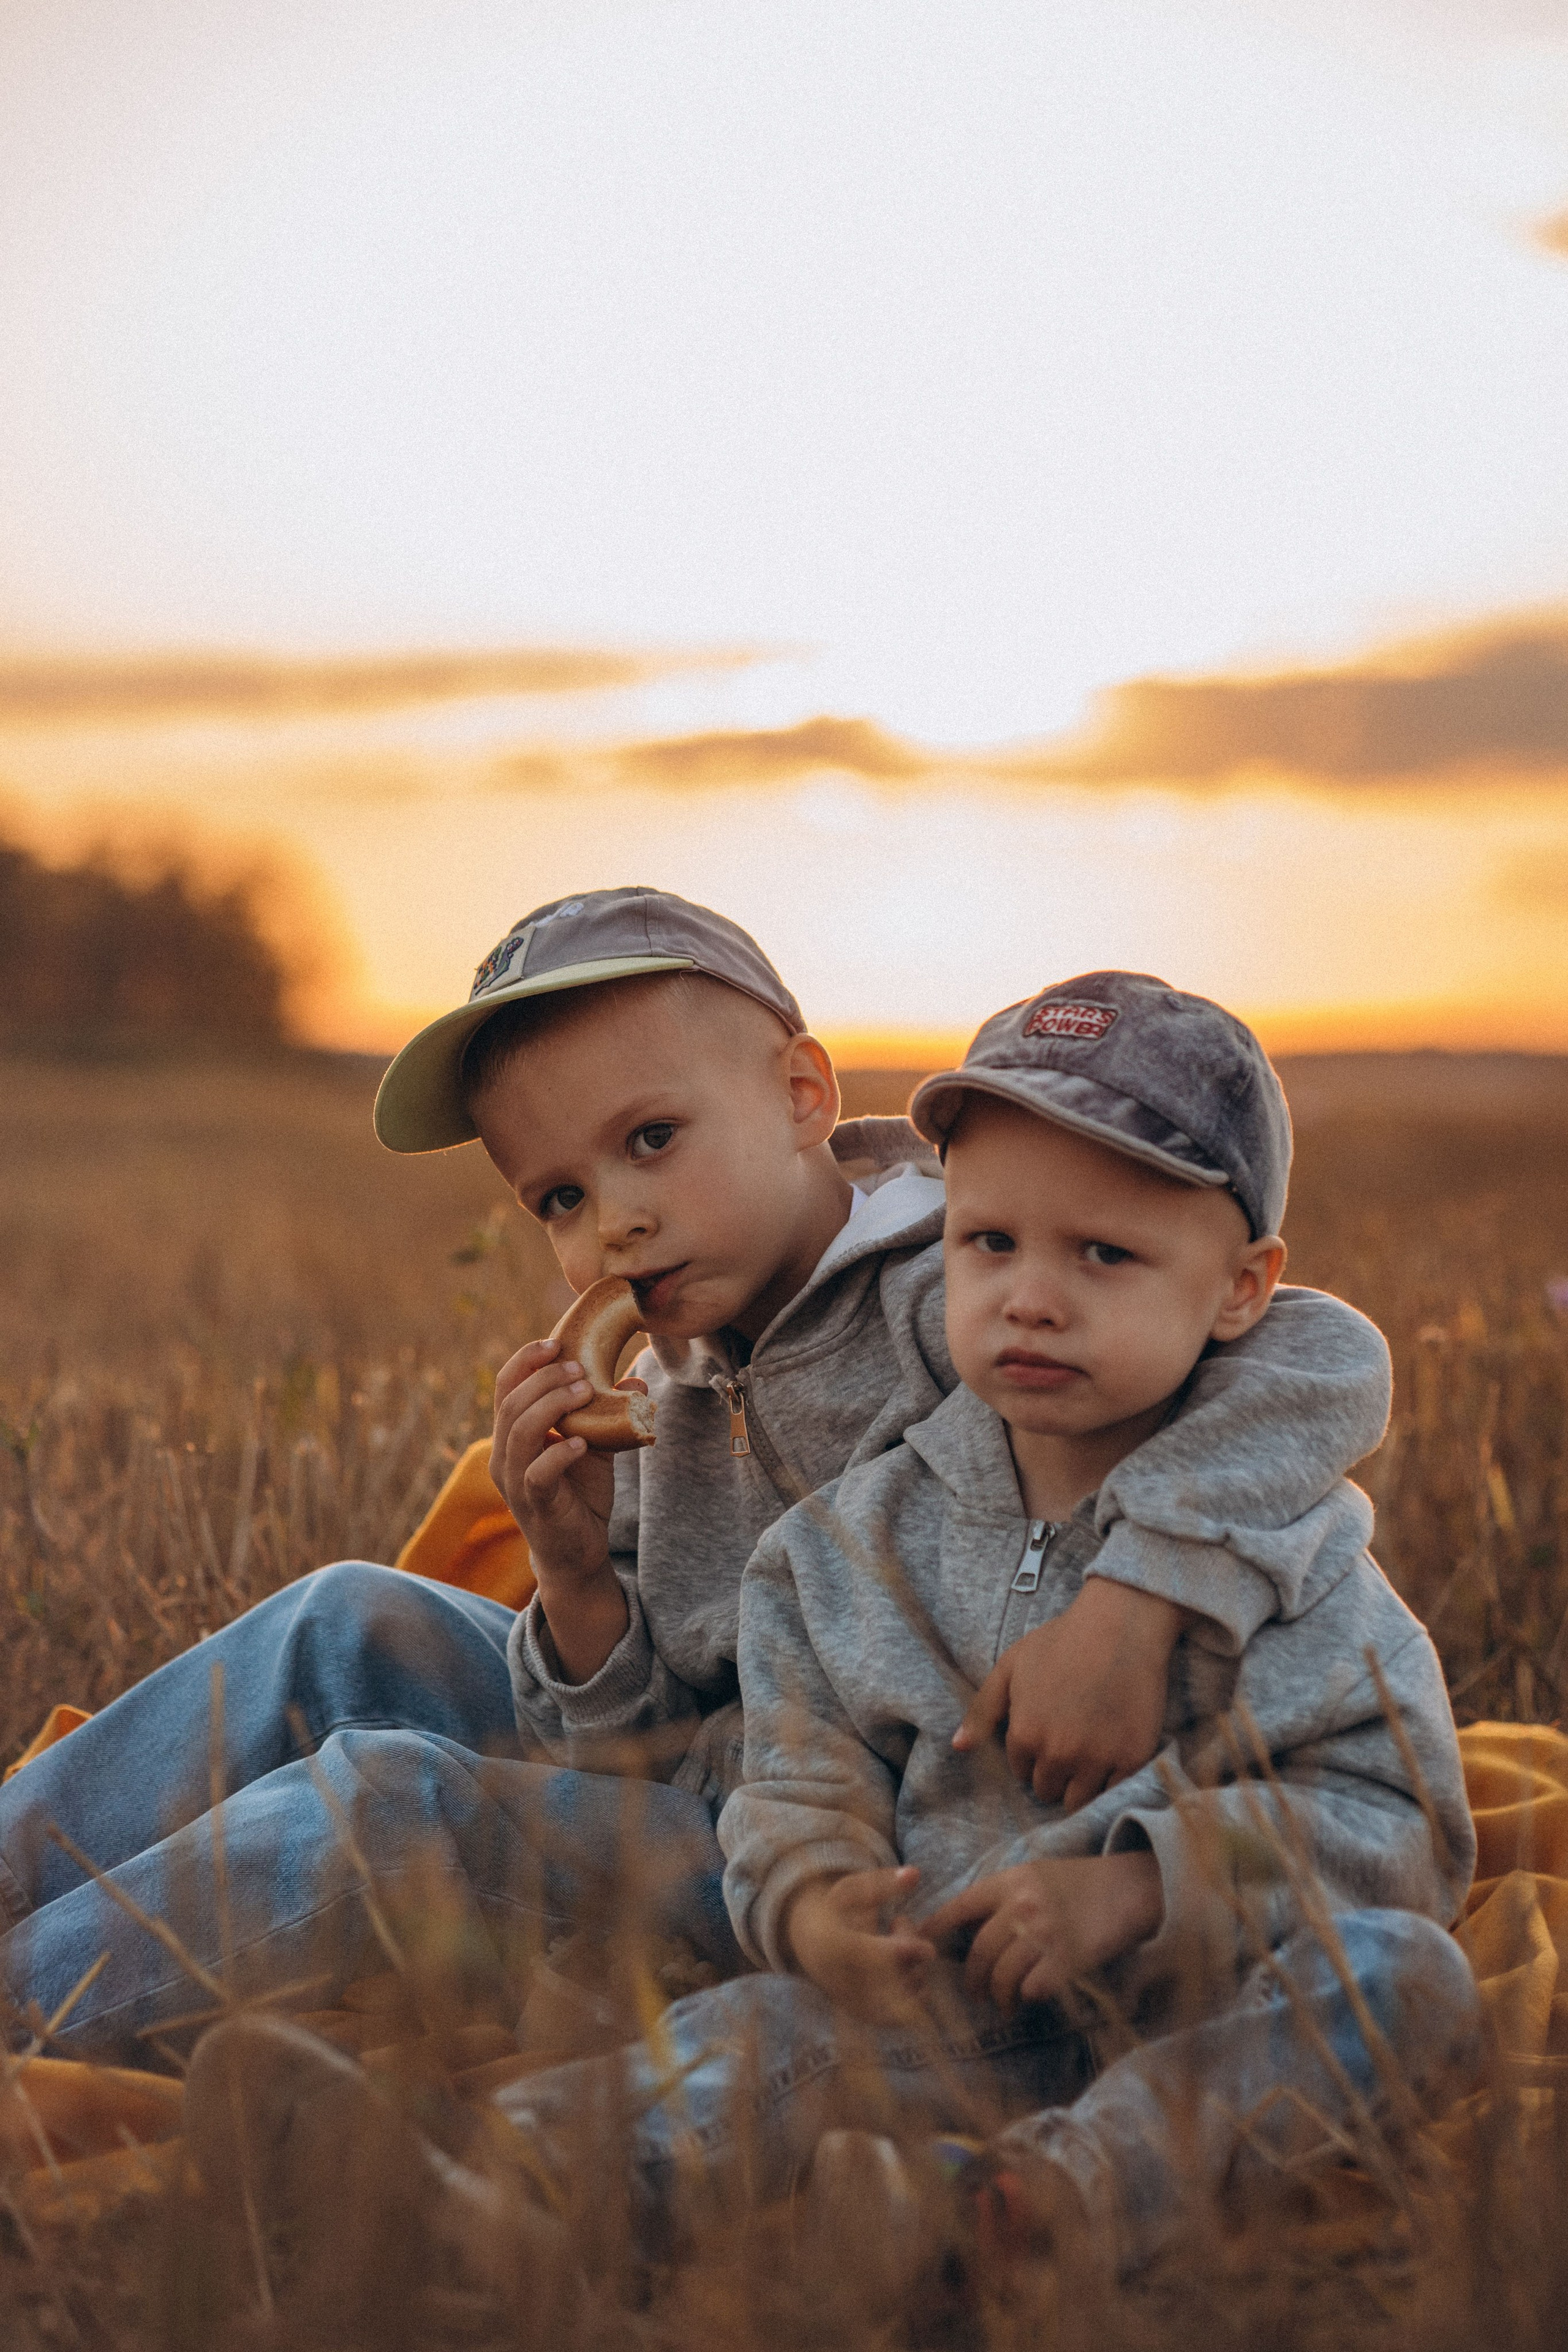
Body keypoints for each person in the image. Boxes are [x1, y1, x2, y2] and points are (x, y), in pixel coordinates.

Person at [183, 973, 1481, 2340]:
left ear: (1239, 1294)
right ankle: (478, 2209)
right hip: (943, 2002)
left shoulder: (1283, 1560)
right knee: (754, 2041)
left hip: (1206, 2003)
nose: (1029, 1299)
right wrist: (809, 1907)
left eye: (1101, 1257)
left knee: (1408, 1977)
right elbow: (789, 1788)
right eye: (988, 1245)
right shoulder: (843, 1548)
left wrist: (1137, 1890)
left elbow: (1397, 1831)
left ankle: (1042, 2208)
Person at [2, 905, 1390, 2063]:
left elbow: (1310, 1354)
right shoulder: (672, 1379)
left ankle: (29, 2011)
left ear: (799, 1096)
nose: (614, 1217)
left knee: (389, 1804)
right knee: (347, 1616)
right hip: (701, 1774)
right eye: (557, 1196)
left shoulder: (970, 1284)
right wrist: (569, 1575)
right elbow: (623, 1729)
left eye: (649, 1140)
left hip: (852, 1850)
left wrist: (1132, 1609)